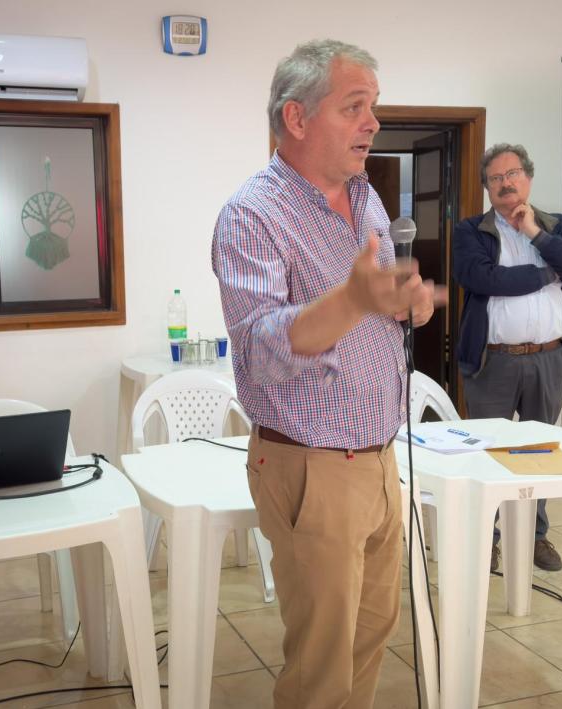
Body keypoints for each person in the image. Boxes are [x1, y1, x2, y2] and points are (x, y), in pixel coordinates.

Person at [212, 39, 441, 708]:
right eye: (354, 107)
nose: (372, 123)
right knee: (320, 667)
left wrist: (412, 303)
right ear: (297, 118)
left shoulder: (367, 201)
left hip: (376, 458)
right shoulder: (253, 214)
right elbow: (260, 351)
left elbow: (381, 304)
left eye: (373, 107)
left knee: (370, 636)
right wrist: (354, 298)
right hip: (311, 464)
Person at [453, 143, 562, 573]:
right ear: (487, 188)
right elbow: (481, 278)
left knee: (540, 453)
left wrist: (536, 235)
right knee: (488, 455)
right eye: (495, 178)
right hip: (492, 362)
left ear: (528, 179)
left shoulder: (554, 224)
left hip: (548, 359)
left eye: (512, 174)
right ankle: (488, 538)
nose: (505, 183)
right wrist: (545, 274)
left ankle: (535, 536)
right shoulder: (470, 230)